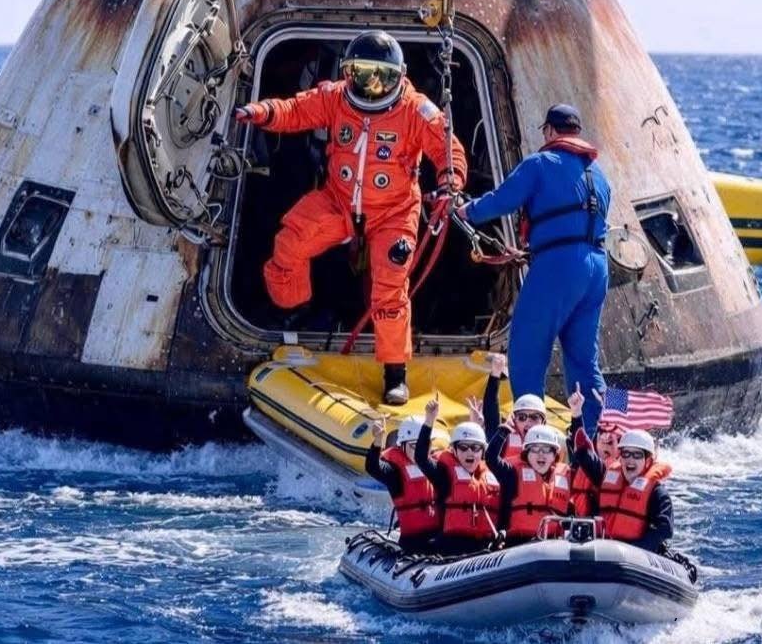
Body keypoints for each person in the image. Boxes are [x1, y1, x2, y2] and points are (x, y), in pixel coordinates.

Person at [236, 30, 467, 405]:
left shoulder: (416, 110)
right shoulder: (336, 97)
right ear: (348, 73)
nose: (371, 85)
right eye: (362, 74)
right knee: (290, 242)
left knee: (390, 286)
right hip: (339, 201)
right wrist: (261, 113)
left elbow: (447, 149)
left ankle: (395, 372)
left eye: (381, 77)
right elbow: (296, 110)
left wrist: (449, 183)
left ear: (398, 76)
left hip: (393, 211)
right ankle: (293, 312)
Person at [458, 104, 611, 435]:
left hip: (557, 268)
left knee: (527, 350)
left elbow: (502, 200)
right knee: (584, 360)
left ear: (550, 131)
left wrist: (467, 211)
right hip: (597, 268)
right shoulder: (599, 174)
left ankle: (531, 437)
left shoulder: (539, 164)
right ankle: (595, 435)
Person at [568, 387, 673, 552]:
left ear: (648, 461)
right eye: (626, 454)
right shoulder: (606, 476)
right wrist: (576, 415)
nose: (630, 460)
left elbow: (664, 529)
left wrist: (634, 550)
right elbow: (583, 453)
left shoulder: (657, 493)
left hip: (635, 555)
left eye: (637, 455)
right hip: (602, 549)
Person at [415, 396, 500, 555]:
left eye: (475, 448)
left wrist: (476, 426)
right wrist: (429, 420)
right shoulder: (444, 475)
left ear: (483, 452)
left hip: (484, 548)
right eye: (463, 447)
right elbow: (421, 458)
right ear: (453, 450)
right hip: (451, 548)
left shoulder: (493, 473)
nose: (469, 453)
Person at [486, 423, 571, 545]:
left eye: (546, 450)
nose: (541, 454)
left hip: (553, 544)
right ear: (526, 454)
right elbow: (491, 458)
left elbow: (585, 462)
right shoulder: (512, 473)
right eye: (535, 449)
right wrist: (503, 432)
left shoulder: (565, 475)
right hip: (519, 543)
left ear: (554, 455)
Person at [365, 416, 440, 552]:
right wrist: (378, 441)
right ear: (402, 445)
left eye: (426, 444)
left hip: (439, 538)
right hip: (413, 543)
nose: (421, 450)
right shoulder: (396, 472)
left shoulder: (435, 466)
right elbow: (373, 468)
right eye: (415, 446)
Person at [565, 383, 625, 517]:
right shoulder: (579, 462)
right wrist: (576, 412)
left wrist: (577, 414)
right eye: (602, 435)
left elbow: (583, 453)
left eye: (612, 442)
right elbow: (579, 444)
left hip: (603, 526)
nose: (606, 443)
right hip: (576, 522)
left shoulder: (625, 473)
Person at [481, 353, 548, 460]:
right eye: (522, 417)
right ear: (514, 421)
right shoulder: (504, 441)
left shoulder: (551, 443)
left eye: (534, 417)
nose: (528, 422)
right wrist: (495, 375)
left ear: (543, 422)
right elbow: (491, 414)